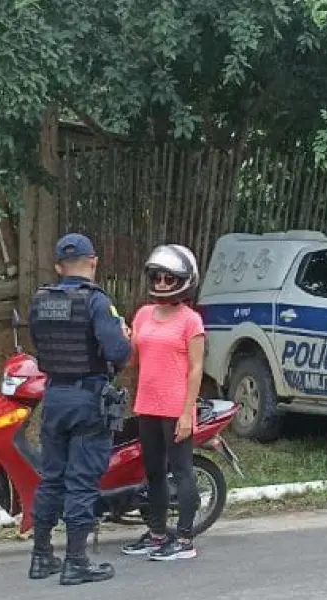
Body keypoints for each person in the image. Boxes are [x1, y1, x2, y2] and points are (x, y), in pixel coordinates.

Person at [27, 232, 132, 585]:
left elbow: (39, 345)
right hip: (88, 399)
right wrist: (125, 336)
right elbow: (119, 353)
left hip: (54, 396)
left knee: (51, 479)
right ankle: (76, 562)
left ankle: (41, 557)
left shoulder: (41, 300)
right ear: (94, 261)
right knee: (83, 482)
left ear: (59, 267)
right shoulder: (97, 302)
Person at [121, 244, 205, 561]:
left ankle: (184, 541)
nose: (161, 283)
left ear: (184, 281)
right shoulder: (143, 314)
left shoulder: (190, 321)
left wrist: (187, 413)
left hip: (175, 408)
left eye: (169, 278)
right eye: (157, 277)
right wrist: (124, 336)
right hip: (147, 406)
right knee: (153, 472)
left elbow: (196, 369)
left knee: (182, 473)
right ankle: (157, 534)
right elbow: (133, 361)